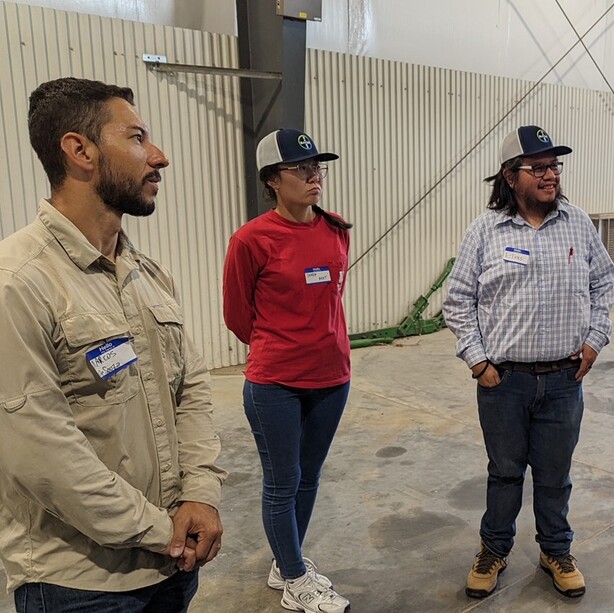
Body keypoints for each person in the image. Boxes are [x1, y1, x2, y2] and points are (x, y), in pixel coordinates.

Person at [0, 77, 227, 611]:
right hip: (80, 585)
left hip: (170, 562)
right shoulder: (18, 283)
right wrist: (162, 527)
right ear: (80, 151)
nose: (160, 156)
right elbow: (44, 457)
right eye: (138, 138)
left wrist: (199, 494)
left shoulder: (147, 274)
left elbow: (190, 392)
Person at [443, 125, 614, 600]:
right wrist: (479, 363)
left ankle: (555, 550)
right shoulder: (486, 230)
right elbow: (457, 299)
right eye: (537, 167)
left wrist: (596, 337)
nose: (550, 175)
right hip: (504, 382)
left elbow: (605, 281)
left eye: (554, 165)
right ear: (510, 176)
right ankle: (494, 549)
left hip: (564, 378)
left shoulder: (577, 223)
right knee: (504, 472)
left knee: (555, 474)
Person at [223, 128, 353, 613]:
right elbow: (238, 317)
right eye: (301, 169)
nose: (313, 176)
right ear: (273, 180)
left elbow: (330, 301)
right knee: (282, 479)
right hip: (275, 382)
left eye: (317, 167)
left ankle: (286, 560)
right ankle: (296, 579)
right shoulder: (251, 240)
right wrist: (283, 345)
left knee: (310, 475)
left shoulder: (336, 230)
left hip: (332, 377)